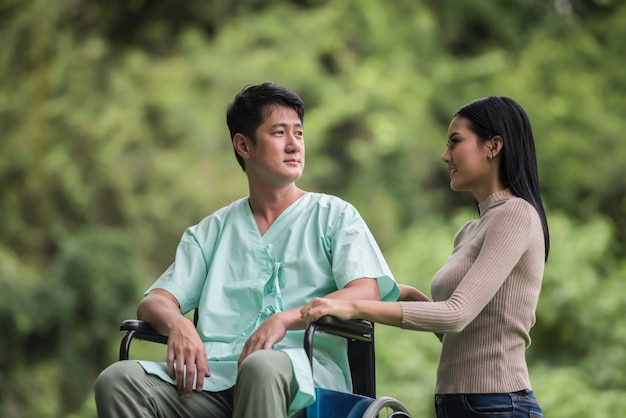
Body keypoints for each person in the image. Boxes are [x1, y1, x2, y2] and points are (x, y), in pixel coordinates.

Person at [94, 82, 399, 418]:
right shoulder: (211, 232)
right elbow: (155, 301)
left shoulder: (335, 216)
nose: (294, 144)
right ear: (243, 144)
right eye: (279, 132)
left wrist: (287, 318)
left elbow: (365, 290)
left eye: (298, 133)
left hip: (303, 377)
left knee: (261, 367)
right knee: (117, 380)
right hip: (211, 379)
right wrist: (179, 325)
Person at [301, 96, 549, 418]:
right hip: (456, 404)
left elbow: (456, 314)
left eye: (455, 142)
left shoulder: (515, 214)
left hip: (499, 404)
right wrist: (411, 295)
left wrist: (351, 305)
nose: (445, 156)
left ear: (494, 145)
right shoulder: (470, 231)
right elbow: (462, 335)